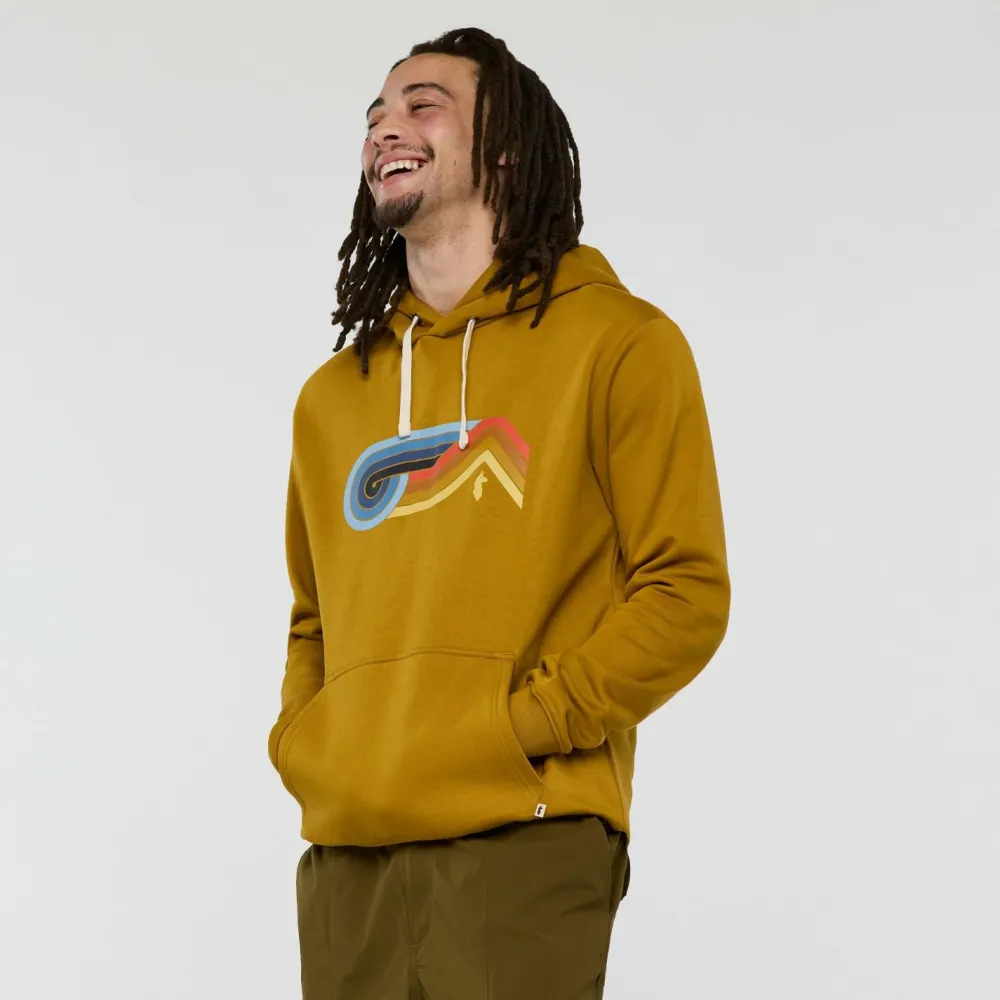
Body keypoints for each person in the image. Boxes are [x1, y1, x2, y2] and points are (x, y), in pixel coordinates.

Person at [268, 25, 730, 1000]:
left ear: (507, 149)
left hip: (522, 832)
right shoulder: (331, 399)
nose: (386, 126)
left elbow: (684, 591)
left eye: (422, 104)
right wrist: (310, 745)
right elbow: (314, 619)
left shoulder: (619, 344)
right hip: (347, 850)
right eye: (375, 113)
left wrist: (524, 725)